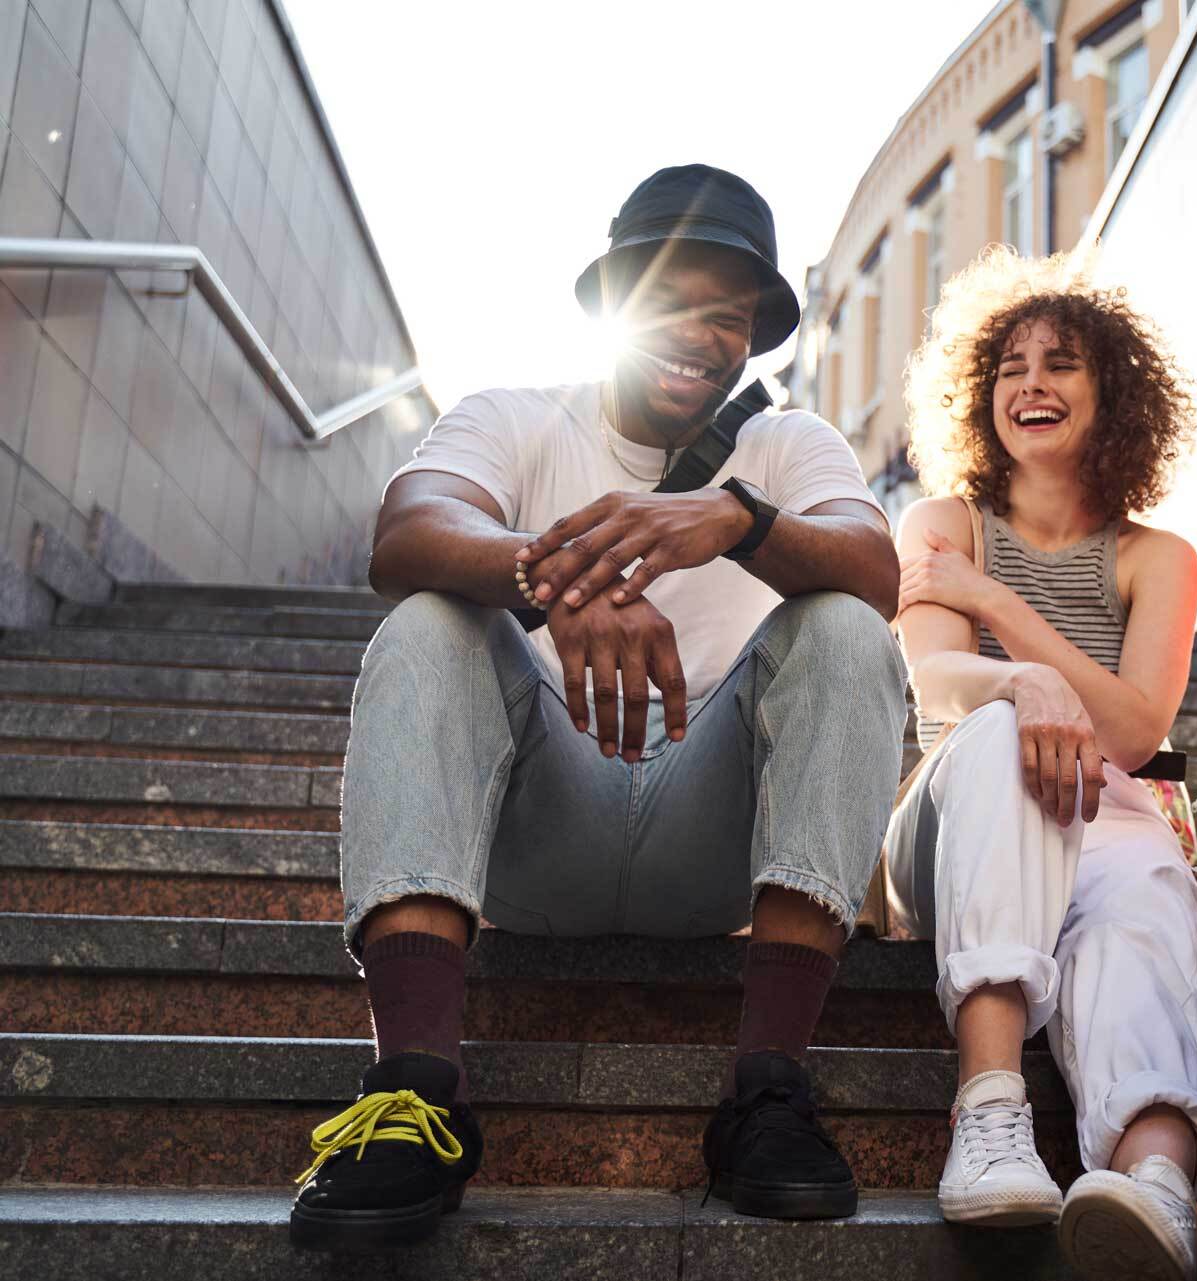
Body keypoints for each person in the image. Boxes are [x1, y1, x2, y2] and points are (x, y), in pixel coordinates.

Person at [289, 165, 908, 1251]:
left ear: (751, 340)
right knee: (434, 619)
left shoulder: (786, 448)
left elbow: (877, 570)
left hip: (711, 841)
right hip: (535, 835)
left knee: (848, 624)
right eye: (671, 300)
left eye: (728, 316)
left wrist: (738, 522)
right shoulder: (518, 419)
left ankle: (767, 1096)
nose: (701, 334)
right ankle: (414, 1096)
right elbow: (406, 531)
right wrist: (554, 582)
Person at [885, 246, 1197, 1279]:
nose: (1030, 384)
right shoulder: (943, 524)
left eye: (1062, 363)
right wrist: (1014, 687)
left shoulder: (1155, 556)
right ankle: (989, 1114)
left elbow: (1128, 732)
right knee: (996, 735)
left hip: (1103, 811)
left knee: (1147, 885)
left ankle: (1156, 1180)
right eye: (1010, 367)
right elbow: (935, 680)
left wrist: (1001, 612)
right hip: (956, 824)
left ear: (1112, 391)